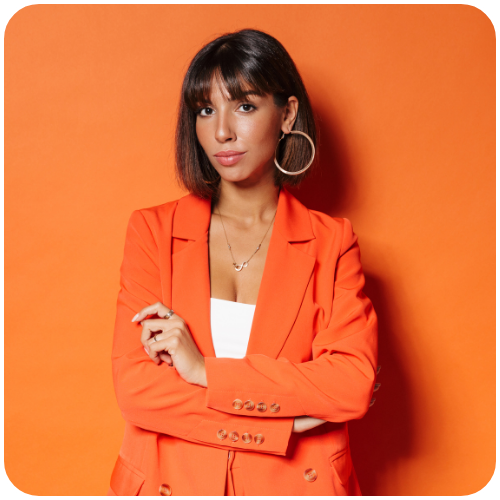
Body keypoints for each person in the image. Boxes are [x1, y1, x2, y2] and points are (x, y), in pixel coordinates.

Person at [108, 28, 379, 496]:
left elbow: (351, 384)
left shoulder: (332, 242)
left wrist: (203, 372)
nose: (221, 132)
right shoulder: (153, 232)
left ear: (287, 114)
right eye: (205, 110)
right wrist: (283, 425)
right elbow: (137, 391)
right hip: (170, 483)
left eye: (245, 106)